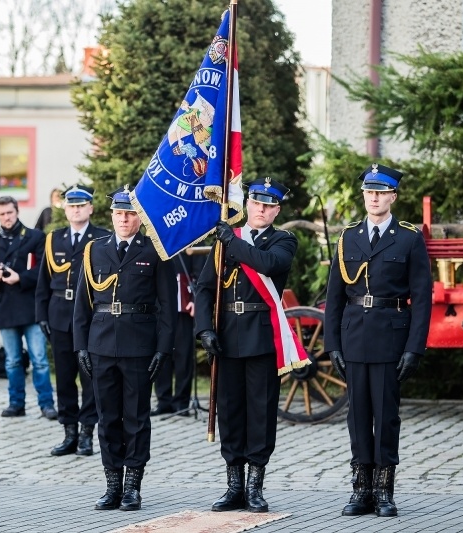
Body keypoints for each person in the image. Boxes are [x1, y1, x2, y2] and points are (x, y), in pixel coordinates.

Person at [323, 163, 432, 518]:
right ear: (364, 195)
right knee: (357, 417)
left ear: (393, 197)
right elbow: (334, 296)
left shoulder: (408, 237)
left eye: (381, 193)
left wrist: (415, 348)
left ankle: (384, 490)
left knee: (385, 417)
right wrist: (332, 344)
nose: (374, 198)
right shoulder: (348, 237)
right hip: (354, 337)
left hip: (390, 338)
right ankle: (361, 490)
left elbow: (422, 297)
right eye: (370, 192)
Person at [195, 177, 299, 513]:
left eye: (269, 206)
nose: (262, 210)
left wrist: (231, 240)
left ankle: (255, 486)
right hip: (226, 334)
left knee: (260, 412)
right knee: (230, 411)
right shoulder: (230, 238)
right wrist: (204, 330)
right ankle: (234, 486)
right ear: (248, 204)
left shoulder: (283, 240)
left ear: (277, 210)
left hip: (261, 337)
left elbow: (268, 265)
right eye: (257, 203)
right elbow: (204, 288)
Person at [73, 184, 176, 512]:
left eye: (130, 214)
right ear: (111, 215)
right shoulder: (94, 250)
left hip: (139, 345)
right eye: (119, 213)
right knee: (108, 418)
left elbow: (167, 306)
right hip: (101, 343)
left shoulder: (154, 251)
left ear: (139, 218)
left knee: (136, 417)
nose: (123, 219)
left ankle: (133, 486)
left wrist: (163, 348)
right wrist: (80, 347)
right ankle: (112, 484)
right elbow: (82, 304)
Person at [36, 185, 111, 456]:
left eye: (81, 205)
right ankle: (68, 430)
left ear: (90, 208)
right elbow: (43, 282)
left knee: (88, 375)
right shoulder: (53, 239)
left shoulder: (102, 238)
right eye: (72, 205)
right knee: (65, 377)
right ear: (65, 209)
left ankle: (87, 433)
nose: (76, 209)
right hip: (58, 315)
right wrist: (41, 314)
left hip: (89, 317)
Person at [0, 196, 57, 420]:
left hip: (31, 308)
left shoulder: (35, 237)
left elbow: (45, 270)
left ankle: (47, 404)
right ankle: (16, 404)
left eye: (10, 213)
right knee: (12, 361)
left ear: (17, 212)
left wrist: (20, 278)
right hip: (6, 308)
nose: (7, 217)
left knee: (40, 360)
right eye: (2, 214)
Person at [150, 253, 202, 416]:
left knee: (184, 356)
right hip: (160, 311)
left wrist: (196, 300)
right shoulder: (157, 248)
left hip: (184, 310)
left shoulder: (190, 247)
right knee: (161, 354)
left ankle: (181, 402)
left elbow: (201, 276)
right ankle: (163, 401)